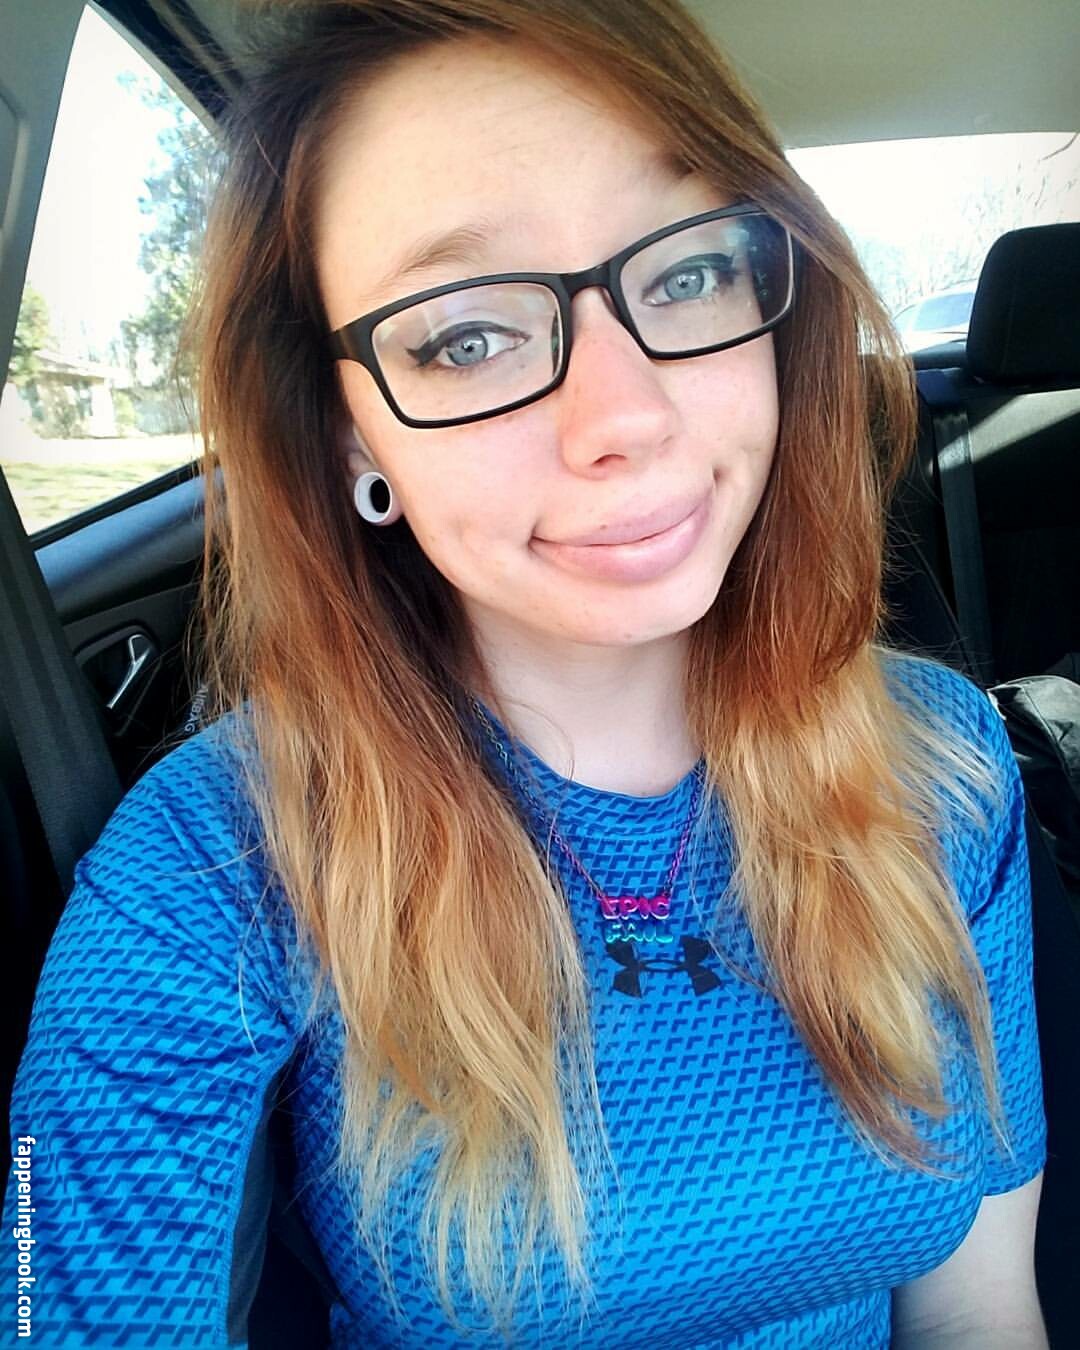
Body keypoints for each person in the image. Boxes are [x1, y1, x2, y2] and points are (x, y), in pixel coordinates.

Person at [5, 1, 1048, 1346]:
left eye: (687, 272)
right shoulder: (216, 866)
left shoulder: (943, 763)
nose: (628, 415)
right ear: (347, 436)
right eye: (466, 336)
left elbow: (977, 1307)